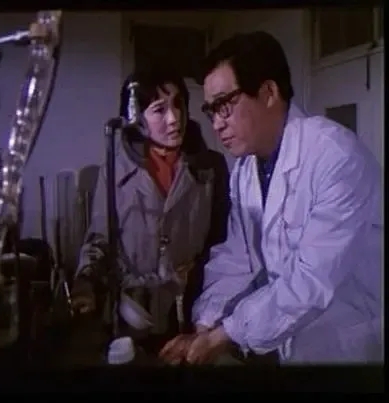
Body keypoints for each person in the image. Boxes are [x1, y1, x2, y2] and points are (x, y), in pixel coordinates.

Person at [159, 31, 382, 365]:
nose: (216, 124)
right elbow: (237, 257)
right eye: (210, 111)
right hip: (294, 344)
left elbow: (310, 280)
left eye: (224, 106)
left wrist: (224, 335)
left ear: (268, 93)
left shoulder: (334, 156)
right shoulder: (246, 170)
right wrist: (205, 325)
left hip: (349, 343)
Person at [71, 68, 230, 352]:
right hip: (132, 314)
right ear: (136, 118)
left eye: (178, 104)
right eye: (159, 109)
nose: (175, 118)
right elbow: (100, 240)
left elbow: (223, 243)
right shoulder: (114, 172)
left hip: (194, 313)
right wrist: (86, 281)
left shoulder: (210, 168)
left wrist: (197, 275)